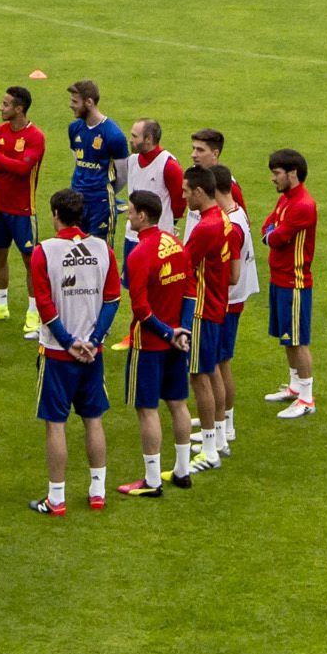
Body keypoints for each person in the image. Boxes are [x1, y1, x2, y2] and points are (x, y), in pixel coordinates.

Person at [25, 185, 121, 515]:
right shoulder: (103, 249)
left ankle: (57, 498)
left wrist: (68, 342)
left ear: (55, 215)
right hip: (93, 354)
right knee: (93, 420)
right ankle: (97, 492)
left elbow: (45, 304)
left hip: (56, 353)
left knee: (56, 424)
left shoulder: (44, 251)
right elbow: (112, 300)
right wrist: (93, 341)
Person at [118, 186, 196, 497]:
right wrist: (183, 330)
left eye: (131, 212)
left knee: (147, 409)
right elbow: (190, 290)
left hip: (150, 344)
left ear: (143, 215)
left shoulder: (139, 254)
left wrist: (166, 333)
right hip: (178, 340)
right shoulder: (176, 244)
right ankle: (182, 470)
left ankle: (152, 480)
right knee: (178, 404)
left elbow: (140, 309)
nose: (128, 217)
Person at [181, 161, 253, 472]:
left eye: (186, 192)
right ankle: (220, 438)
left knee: (200, 377)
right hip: (217, 305)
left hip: (199, 309)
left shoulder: (206, 227)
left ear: (199, 191)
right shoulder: (226, 222)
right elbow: (233, 273)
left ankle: (209, 449)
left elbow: (182, 265)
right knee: (212, 372)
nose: (183, 198)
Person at [0, 87, 49, 322]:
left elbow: (23, 169)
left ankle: (33, 312)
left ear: (19, 109)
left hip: (23, 210)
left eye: (6, 104)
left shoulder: (35, 136)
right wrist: (6, 160)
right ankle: (0, 306)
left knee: (31, 261)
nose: (1, 107)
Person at [263, 147, 319, 419]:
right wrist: (271, 234)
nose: (273, 179)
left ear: (292, 173)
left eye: (276, 173)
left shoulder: (303, 205)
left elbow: (275, 237)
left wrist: (272, 235)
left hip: (294, 283)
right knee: (287, 338)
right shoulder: (286, 199)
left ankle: (307, 398)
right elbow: (267, 228)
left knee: (297, 340)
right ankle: (296, 387)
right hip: (279, 279)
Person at [63, 82, 122, 253]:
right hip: (76, 201)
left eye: (75, 102)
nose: (71, 105)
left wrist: (106, 192)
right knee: (75, 251)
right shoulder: (74, 128)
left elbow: (123, 174)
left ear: (88, 102)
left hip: (100, 203)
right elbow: (78, 159)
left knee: (100, 252)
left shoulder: (113, 134)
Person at [121, 120, 186, 248]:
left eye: (134, 136)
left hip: (158, 239)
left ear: (148, 139)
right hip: (132, 236)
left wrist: (166, 223)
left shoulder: (169, 165)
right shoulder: (132, 160)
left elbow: (180, 203)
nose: (130, 140)